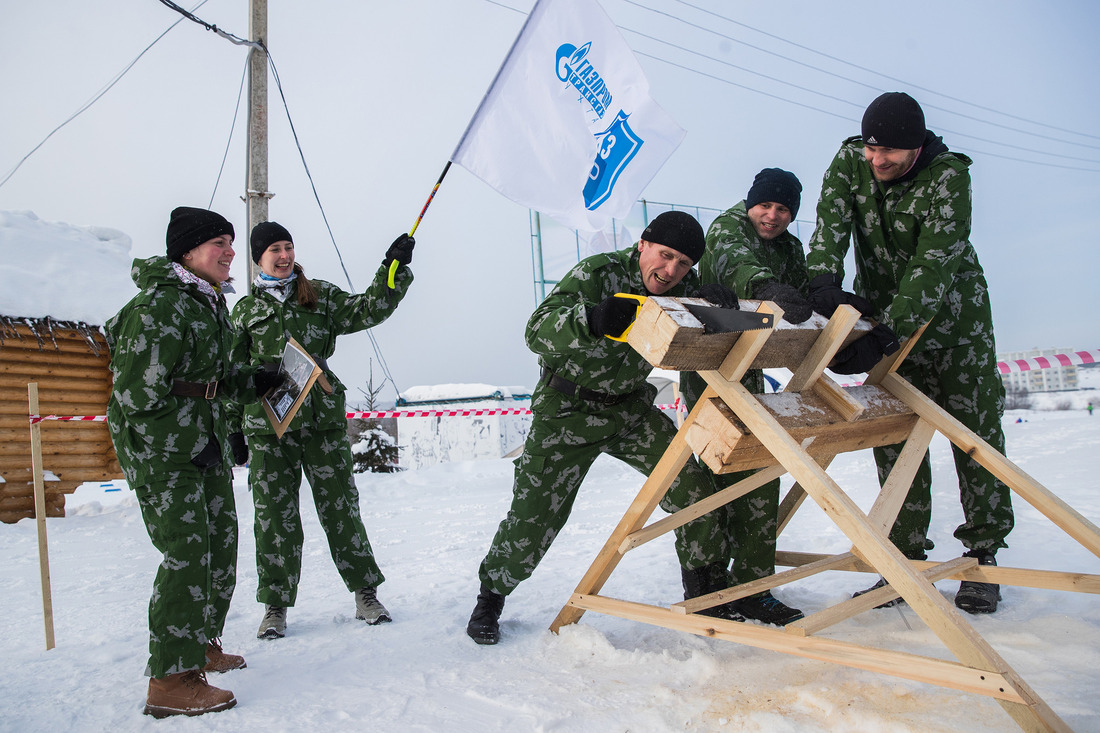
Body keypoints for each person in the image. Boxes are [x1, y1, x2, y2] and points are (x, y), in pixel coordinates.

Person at [465, 210, 742, 646]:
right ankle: (491, 597)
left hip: (630, 411)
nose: (670, 271)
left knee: (692, 487)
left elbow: (706, 329)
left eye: (684, 264)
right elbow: (536, 330)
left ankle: (705, 592)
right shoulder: (598, 273)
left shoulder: (684, 289)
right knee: (535, 516)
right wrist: (592, 318)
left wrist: (716, 307)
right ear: (643, 246)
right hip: (567, 412)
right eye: (665, 256)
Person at [805, 92, 1013, 614]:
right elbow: (829, 228)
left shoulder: (948, 178)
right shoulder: (852, 161)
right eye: (873, 149)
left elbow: (933, 264)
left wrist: (890, 331)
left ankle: (983, 559)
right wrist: (825, 285)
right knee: (893, 439)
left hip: (954, 327)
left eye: (890, 153)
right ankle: (902, 562)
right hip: (884, 322)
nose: (878, 161)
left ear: (917, 146)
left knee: (974, 439)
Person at [106, 207, 275, 718]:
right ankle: (170, 680)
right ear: (187, 251)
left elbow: (211, 380)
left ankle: (199, 643)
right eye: (218, 242)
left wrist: (258, 379)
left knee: (220, 545)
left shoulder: (206, 304)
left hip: (204, 443)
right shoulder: (159, 307)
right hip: (165, 452)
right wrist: (186, 445)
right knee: (186, 551)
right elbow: (138, 397)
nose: (229, 251)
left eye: (230, 241)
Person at [229, 221, 415, 640]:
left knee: (341, 508)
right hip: (267, 428)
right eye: (274, 248)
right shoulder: (245, 311)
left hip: (320, 423)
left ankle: (365, 593)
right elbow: (233, 373)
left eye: (288, 246)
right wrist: (233, 431)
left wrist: (393, 268)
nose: (283, 255)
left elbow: (370, 308)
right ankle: (274, 606)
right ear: (258, 257)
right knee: (273, 518)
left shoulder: (320, 296)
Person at [680, 167, 813, 626]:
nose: (772, 216)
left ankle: (754, 586)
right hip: (707, 362)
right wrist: (765, 288)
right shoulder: (728, 226)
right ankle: (707, 586)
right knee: (715, 470)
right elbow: (739, 264)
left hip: (751, 362)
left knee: (759, 470)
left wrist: (825, 294)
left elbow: (802, 287)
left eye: (783, 210)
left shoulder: (790, 246)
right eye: (765, 206)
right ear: (750, 202)